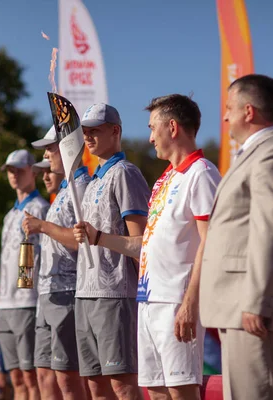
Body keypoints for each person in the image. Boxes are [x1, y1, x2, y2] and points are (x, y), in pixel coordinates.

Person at [74, 95, 221, 400]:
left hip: (175, 303)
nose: (150, 137)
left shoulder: (202, 174)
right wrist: (99, 237)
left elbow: (212, 241)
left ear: (172, 127)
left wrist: (190, 302)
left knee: (181, 391)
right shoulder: (164, 180)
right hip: (148, 301)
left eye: (154, 128)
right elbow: (143, 245)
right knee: (155, 392)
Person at [199, 74, 273, 400]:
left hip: (254, 309)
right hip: (242, 307)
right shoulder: (263, 153)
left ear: (248, 112)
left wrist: (257, 301)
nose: (224, 117)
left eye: (229, 108)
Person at [71, 104, 150, 400]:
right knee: (95, 387)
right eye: (85, 132)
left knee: (122, 384)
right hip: (85, 292)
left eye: (95, 130)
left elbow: (142, 241)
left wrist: (99, 237)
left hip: (115, 293)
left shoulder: (126, 173)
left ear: (115, 131)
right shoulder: (95, 179)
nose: (88, 137)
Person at [22, 126, 91, 399]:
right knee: (45, 375)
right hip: (47, 294)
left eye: (51, 147)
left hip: (68, 292)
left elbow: (80, 241)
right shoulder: (64, 190)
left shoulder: (82, 188)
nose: (47, 154)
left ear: (69, 147)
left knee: (69, 379)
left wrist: (43, 226)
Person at [0, 149, 49, 400]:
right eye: (10, 170)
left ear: (33, 172)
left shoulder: (40, 209)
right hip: (5, 304)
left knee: (32, 377)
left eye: (19, 169)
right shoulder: (9, 215)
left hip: (28, 301)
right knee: (16, 377)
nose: (14, 175)